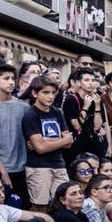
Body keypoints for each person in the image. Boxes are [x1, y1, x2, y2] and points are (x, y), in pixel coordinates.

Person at [22, 76, 74, 211]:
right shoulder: (31, 115)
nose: (50, 96)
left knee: (65, 204)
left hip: (59, 164)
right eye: (45, 93)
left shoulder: (57, 112)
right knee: (40, 206)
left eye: (53, 93)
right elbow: (40, 148)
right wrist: (60, 141)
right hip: (39, 167)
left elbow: (69, 142)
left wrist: (45, 140)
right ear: (35, 93)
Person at [0, 64, 29, 205]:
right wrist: (3, 172)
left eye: (13, 78)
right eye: (6, 78)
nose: (11, 82)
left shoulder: (24, 107)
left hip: (23, 167)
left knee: (22, 207)